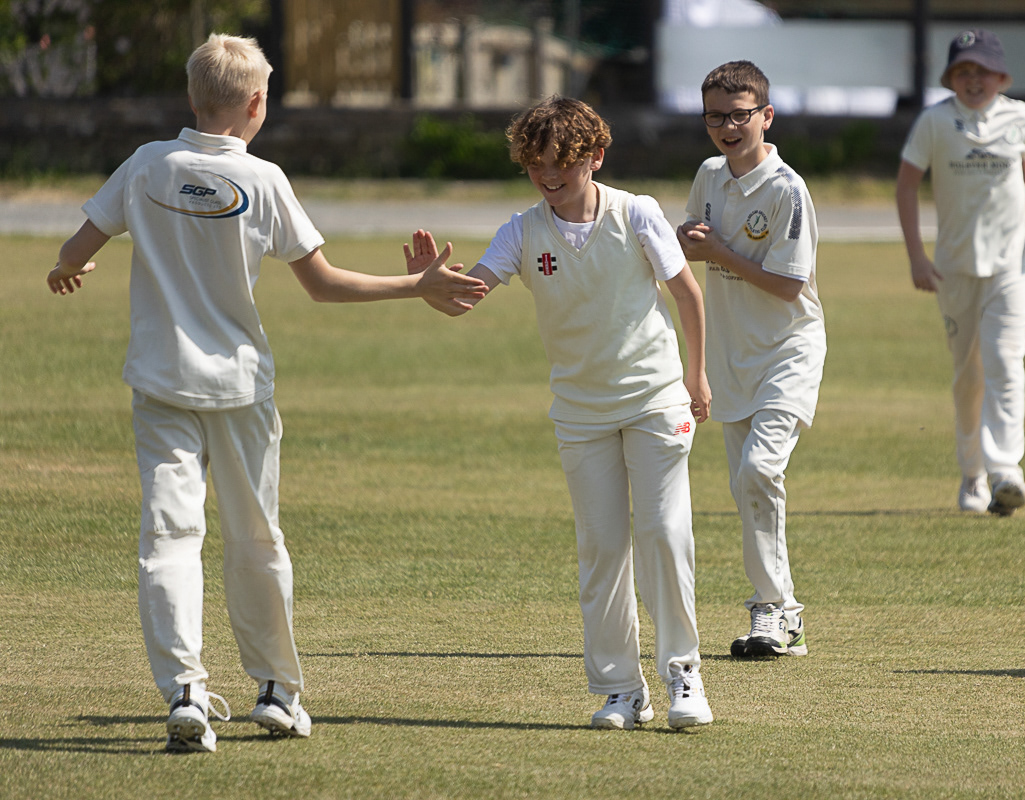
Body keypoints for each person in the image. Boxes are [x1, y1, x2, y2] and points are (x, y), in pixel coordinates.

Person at [46, 33, 488, 754]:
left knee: (168, 539)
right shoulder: (264, 178)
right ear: (256, 103)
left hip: (160, 383)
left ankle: (185, 693)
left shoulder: (146, 163)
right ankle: (278, 692)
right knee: (254, 539)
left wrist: (66, 270)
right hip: (239, 387)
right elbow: (323, 284)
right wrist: (417, 284)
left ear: (193, 97)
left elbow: (75, 251)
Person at [408, 95, 714, 730]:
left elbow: (687, 293)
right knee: (602, 548)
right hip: (580, 412)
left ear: (595, 157)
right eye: (535, 164)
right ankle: (621, 690)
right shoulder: (522, 231)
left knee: (664, 534)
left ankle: (684, 674)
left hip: (655, 399)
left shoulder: (636, 212)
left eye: (561, 163)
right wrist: (426, 287)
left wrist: (696, 376)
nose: (548, 175)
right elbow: (466, 298)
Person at [676, 61, 825, 660]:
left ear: (766, 116)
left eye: (740, 115)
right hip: (731, 355)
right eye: (715, 116)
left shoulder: (787, 189)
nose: (728, 127)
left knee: (760, 470)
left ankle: (774, 609)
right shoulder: (709, 175)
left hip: (789, 350)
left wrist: (717, 250)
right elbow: (690, 244)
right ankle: (781, 615)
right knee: (747, 487)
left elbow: (788, 286)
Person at [895, 29, 1025, 516]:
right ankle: (973, 476)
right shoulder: (934, 122)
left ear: (1001, 76)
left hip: (1011, 266)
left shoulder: (1020, 117)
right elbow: (906, 186)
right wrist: (917, 257)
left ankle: (1006, 471)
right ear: (950, 78)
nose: (973, 79)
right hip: (954, 270)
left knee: (1005, 362)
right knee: (969, 376)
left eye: (982, 70)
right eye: (963, 70)